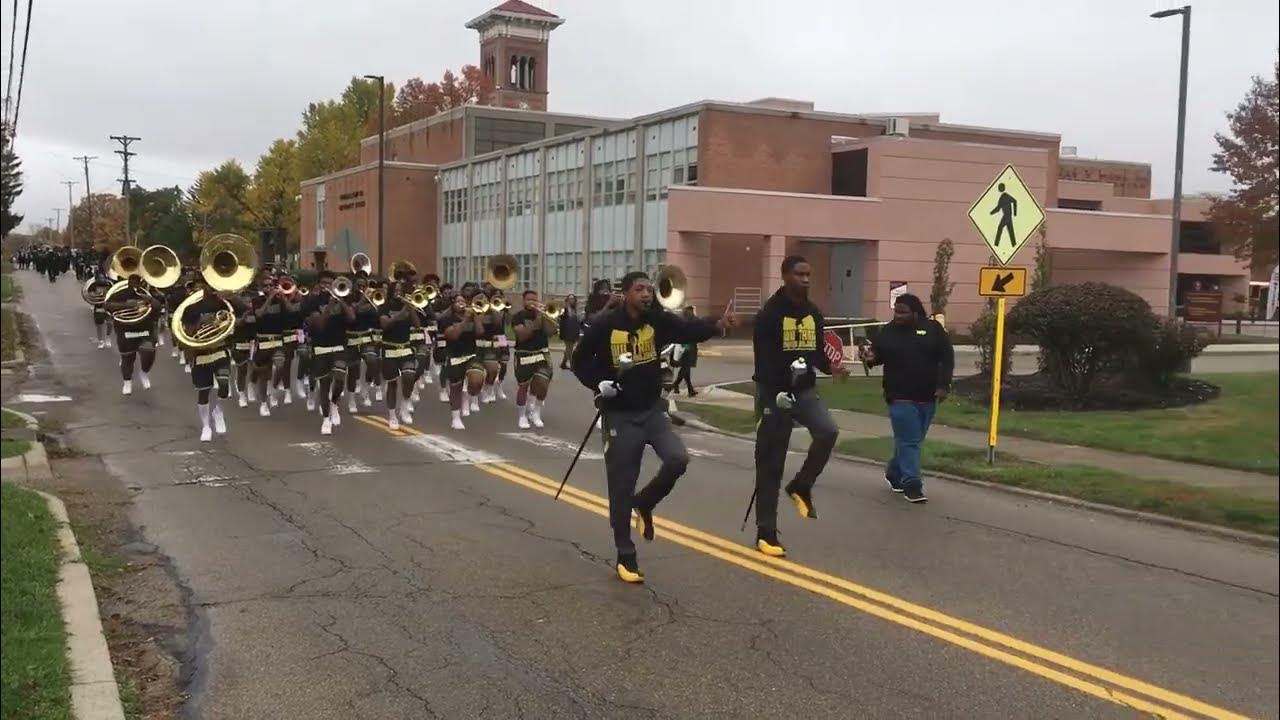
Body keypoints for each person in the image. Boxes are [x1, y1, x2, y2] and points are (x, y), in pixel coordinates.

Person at [573, 271, 736, 584]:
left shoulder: (657, 320)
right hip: (620, 416)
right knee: (621, 486)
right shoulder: (606, 325)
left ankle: (645, 502)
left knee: (678, 459)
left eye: (649, 289)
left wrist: (717, 324)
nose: (647, 294)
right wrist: (599, 383)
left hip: (652, 412)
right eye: (640, 289)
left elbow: (689, 330)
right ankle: (625, 555)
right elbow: (580, 360)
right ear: (626, 294)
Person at [750, 256, 848, 557]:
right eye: (799, 274)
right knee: (771, 464)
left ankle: (802, 485)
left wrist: (830, 367)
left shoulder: (813, 312)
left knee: (828, 432)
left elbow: (816, 350)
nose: (805, 280)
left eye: (808, 274)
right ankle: (766, 532)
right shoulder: (769, 315)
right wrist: (775, 391)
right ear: (784, 276)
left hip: (805, 391)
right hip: (775, 395)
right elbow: (763, 360)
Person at [862, 292, 954, 504]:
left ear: (915, 312)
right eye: (896, 311)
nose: (898, 316)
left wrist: (944, 386)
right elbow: (877, 356)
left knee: (911, 440)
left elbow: (946, 358)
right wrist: (870, 357)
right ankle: (912, 485)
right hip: (899, 396)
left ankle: (894, 473)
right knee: (910, 441)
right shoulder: (889, 332)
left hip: (928, 395)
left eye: (903, 312)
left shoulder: (933, 330)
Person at [180, 279, 244, 442]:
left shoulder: (223, 304)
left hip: (220, 349)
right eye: (209, 286)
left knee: (224, 386)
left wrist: (230, 297)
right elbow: (187, 332)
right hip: (200, 352)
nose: (212, 289)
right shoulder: (192, 308)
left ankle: (218, 411)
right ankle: (206, 426)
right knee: (203, 392)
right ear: (203, 288)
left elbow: (245, 309)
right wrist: (204, 324)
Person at [303, 271, 354, 434]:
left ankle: (334, 403)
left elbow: (352, 318)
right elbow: (319, 325)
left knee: (339, 379)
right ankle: (326, 419)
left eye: (329, 283)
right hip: (320, 347)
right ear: (319, 285)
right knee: (324, 386)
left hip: (339, 346)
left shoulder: (343, 299)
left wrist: (341, 302)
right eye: (324, 283)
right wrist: (330, 305)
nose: (327, 286)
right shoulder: (312, 302)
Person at [104, 274, 162, 395]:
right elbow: (107, 305)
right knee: (127, 358)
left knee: (149, 353)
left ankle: (144, 373)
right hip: (126, 329)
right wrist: (126, 305)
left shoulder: (146, 294)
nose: (135, 284)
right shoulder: (120, 294)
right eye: (132, 282)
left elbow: (158, 307)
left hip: (145, 329)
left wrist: (149, 299)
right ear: (129, 282)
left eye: (137, 282)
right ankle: (127, 383)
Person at [379, 277, 423, 430]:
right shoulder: (384, 306)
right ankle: (392, 415)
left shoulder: (408, 306)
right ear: (391, 293)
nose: (398, 293)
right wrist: (400, 314)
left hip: (406, 348)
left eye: (401, 291)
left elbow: (417, 326)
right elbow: (385, 324)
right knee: (392, 384)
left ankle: (404, 407)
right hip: (389, 348)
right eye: (396, 291)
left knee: (409, 377)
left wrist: (410, 309)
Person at [438, 292, 486, 430]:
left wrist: (476, 318)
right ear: (452, 305)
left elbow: (480, 333)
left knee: (477, 381)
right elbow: (452, 336)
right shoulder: (447, 318)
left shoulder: (473, 316)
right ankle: (456, 417)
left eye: (463, 301)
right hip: (454, 355)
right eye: (458, 302)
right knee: (455, 388)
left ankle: (468, 396)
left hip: (471, 354)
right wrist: (464, 320)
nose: (462, 304)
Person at [511, 289, 557, 429]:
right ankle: (522, 415)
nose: (532, 302)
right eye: (529, 299)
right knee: (523, 386)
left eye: (535, 300)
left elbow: (551, 333)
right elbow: (523, 335)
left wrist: (548, 318)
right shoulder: (517, 317)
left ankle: (536, 412)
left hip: (541, 353)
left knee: (543, 383)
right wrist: (537, 320)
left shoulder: (542, 316)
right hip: (524, 354)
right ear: (523, 301)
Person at [671, 305, 699, 395]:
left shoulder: (682, 318)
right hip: (686, 347)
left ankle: (690, 389)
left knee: (686, 368)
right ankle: (676, 384)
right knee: (686, 368)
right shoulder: (691, 319)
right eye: (692, 310)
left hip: (685, 346)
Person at [558, 294, 581, 369]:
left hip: (574, 332)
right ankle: (572, 365)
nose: (572, 300)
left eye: (573, 299)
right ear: (567, 300)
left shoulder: (575, 310)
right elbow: (560, 318)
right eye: (570, 299)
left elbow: (577, 321)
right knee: (570, 348)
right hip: (567, 332)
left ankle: (563, 364)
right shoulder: (564, 309)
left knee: (568, 348)